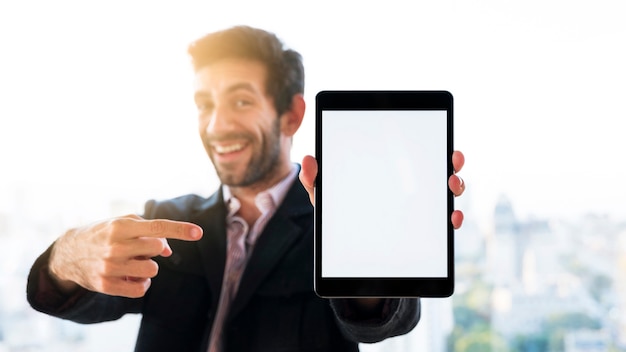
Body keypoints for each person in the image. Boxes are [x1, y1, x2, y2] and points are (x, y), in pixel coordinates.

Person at [26, 25, 466, 351]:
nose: (217, 125)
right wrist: (68, 258)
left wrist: (374, 254)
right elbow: (79, 301)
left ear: (291, 116)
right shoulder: (167, 219)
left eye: (240, 101)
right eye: (205, 105)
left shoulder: (336, 223)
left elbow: (378, 322)